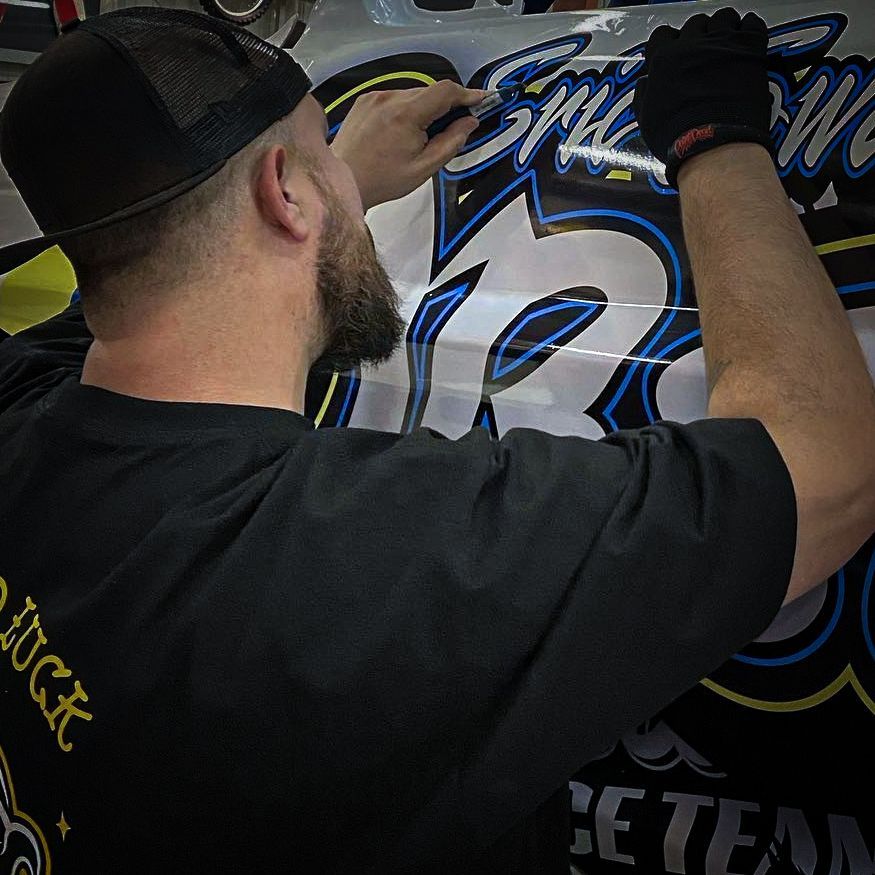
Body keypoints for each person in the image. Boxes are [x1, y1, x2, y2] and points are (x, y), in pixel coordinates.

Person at [0, 6, 871, 873]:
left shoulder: (21, 416)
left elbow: (140, 288)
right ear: (285, 194)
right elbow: (823, 465)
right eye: (321, 151)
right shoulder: (368, 565)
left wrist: (331, 177)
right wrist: (715, 140)